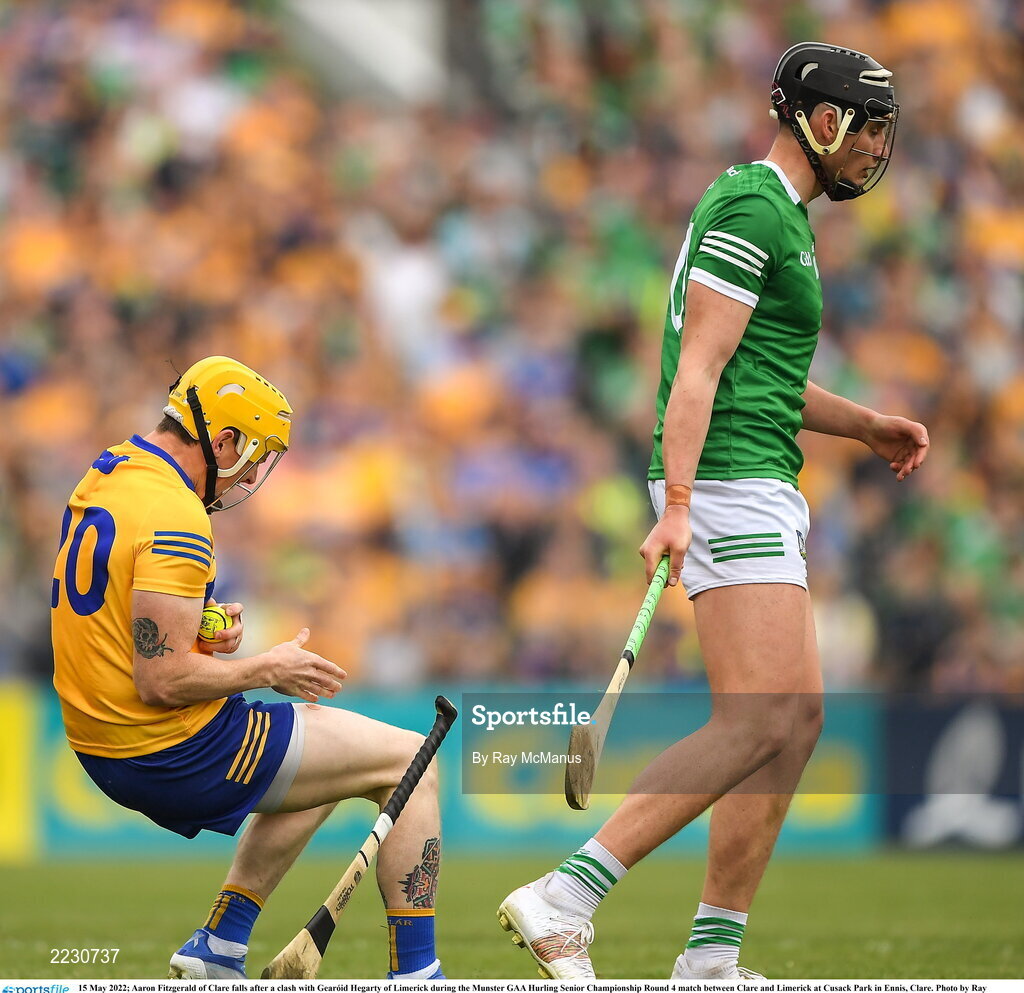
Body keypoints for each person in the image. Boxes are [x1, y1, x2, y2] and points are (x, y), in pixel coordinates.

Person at [497, 42, 929, 980]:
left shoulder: (785, 218)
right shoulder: (751, 205)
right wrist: (681, 503)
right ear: (820, 120)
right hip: (726, 478)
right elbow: (696, 367)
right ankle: (563, 896)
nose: (876, 149)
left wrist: (864, 426)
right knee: (756, 717)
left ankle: (710, 955)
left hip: (758, 471)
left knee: (796, 719)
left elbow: (761, 373)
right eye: (869, 128)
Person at [51, 356, 445, 981]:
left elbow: (118, 606)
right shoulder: (177, 514)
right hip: (166, 747)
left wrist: (200, 627)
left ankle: (220, 946)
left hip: (99, 739)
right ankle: (419, 975)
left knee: (323, 753)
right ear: (223, 440)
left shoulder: (111, 473)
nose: (254, 473)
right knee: (411, 760)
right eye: (255, 455)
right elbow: (162, 681)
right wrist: (266, 667)